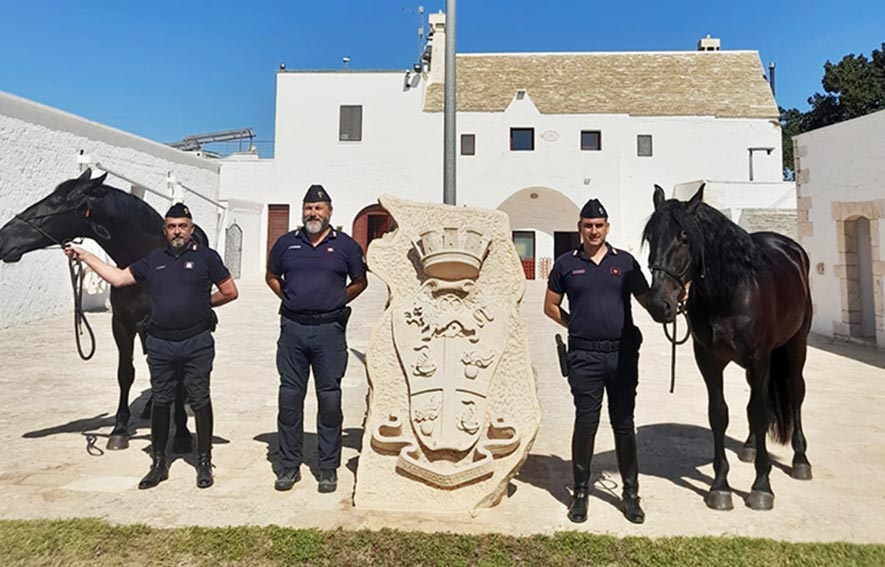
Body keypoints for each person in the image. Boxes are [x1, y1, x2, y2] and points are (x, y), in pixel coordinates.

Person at [65, 203, 238, 489]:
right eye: (172, 226)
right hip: (160, 343)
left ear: (191, 229)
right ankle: (159, 463)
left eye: (182, 225)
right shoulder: (153, 260)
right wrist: (84, 256)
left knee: (199, 399)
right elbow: (119, 277)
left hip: (197, 341)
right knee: (161, 400)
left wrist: (202, 305)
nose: (177, 231)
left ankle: (204, 463)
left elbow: (230, 291)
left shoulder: (208, 258)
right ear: (165, 230)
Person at [543, 198, 650, 524]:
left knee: (623, 423)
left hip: (622, 354)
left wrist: (677, 300)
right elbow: (550, 306)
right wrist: (574, 325)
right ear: (580, 228)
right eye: (588, 225)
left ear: (607, 228)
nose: (594, 231)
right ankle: (580, 493)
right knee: (586, 423)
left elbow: (650, 302)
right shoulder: (565, 264)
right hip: (584, 355)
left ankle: (630, 494)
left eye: (599, 226)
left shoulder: (627, 263)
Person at [265, 184, 368, 493]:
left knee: (330, 399)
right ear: (303, 211)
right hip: (293, 330)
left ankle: (327, 468)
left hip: (329, 332)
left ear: (330, 211)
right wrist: (291, 298)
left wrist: (338, 299)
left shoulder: (346, 246)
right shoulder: (286, 244)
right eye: (308, 207)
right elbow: (272, 276)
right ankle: (288, 465)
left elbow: (360, 281)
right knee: (290, 399)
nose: (313, 212)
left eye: (319, 208)